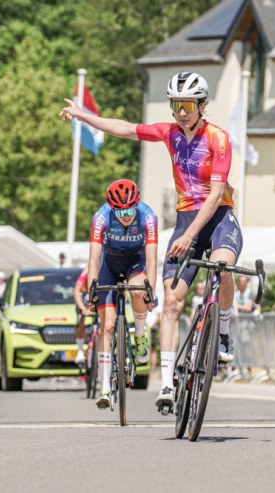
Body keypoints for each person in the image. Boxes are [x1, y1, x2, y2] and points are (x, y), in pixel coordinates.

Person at [61, 72, 241, 411]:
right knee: (172, 303)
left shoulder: (219, 139)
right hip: (187, 219)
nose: (181, 112)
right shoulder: (170, 133)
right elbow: (126, 128)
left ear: (202, 105)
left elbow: (217, 194)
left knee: (224, 267)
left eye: (187, 105)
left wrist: (189, 234)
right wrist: (83, 115)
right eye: (175, 105)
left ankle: (225, 329)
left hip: (217, 219)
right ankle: (169, 384)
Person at [83, 180, 158, 409]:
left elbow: (153, 259)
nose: (126, 216)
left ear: (137, 205)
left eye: (129, 210)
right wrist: (91, 291)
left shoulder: (148, 216)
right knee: (107, 327)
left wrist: (150, 292)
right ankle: (104, 388)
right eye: (121, 211)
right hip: (109, 264)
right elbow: (94, 260)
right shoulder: (102, 217)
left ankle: (140, 335)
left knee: (138, 290)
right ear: (112, 208)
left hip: (136, 261)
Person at [73, 267, 92, 365]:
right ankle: (80, 349)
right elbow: (76, 290)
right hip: (87, 296)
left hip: (101, 295)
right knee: (81, 318)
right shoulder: (87, 269)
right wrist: (82, 308)